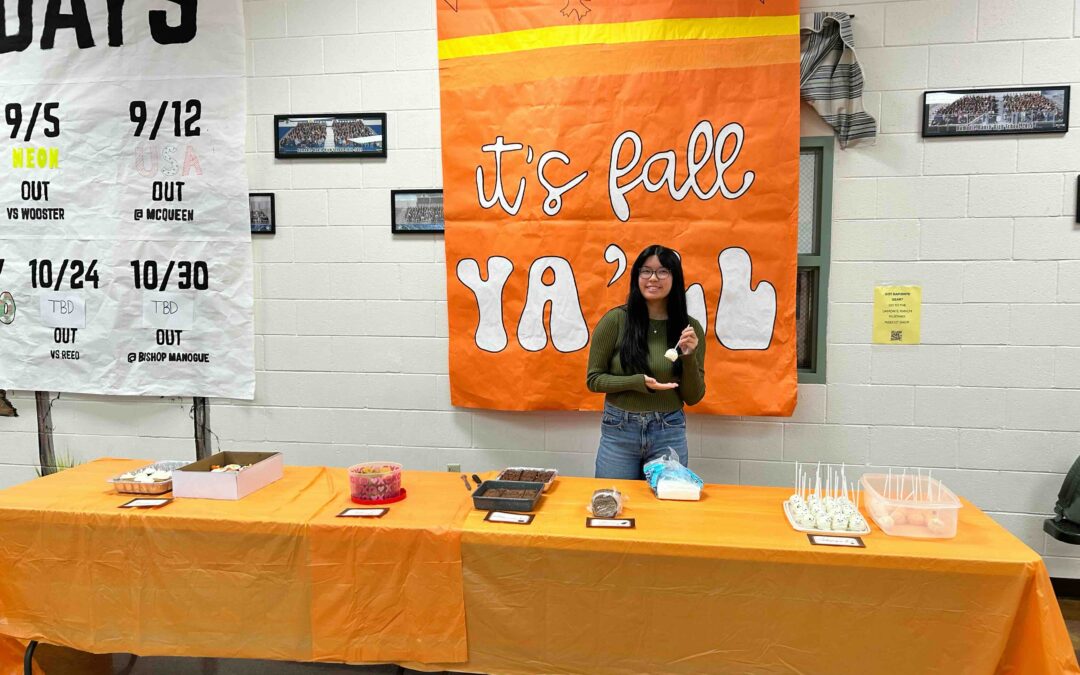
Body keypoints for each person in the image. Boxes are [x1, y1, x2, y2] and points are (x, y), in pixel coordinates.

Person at [586, 244, 706, 479]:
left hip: (668, 429)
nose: (653, 278)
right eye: (646, 271)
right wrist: (638, 382)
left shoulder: (689, 330)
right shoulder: (616, 321)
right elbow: (594, 379)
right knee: (613, 503)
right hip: (619, 428)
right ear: (636, 277)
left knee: (668, 507)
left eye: (663, 271)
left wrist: (689, 356)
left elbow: (693, 397)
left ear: (675, 278)